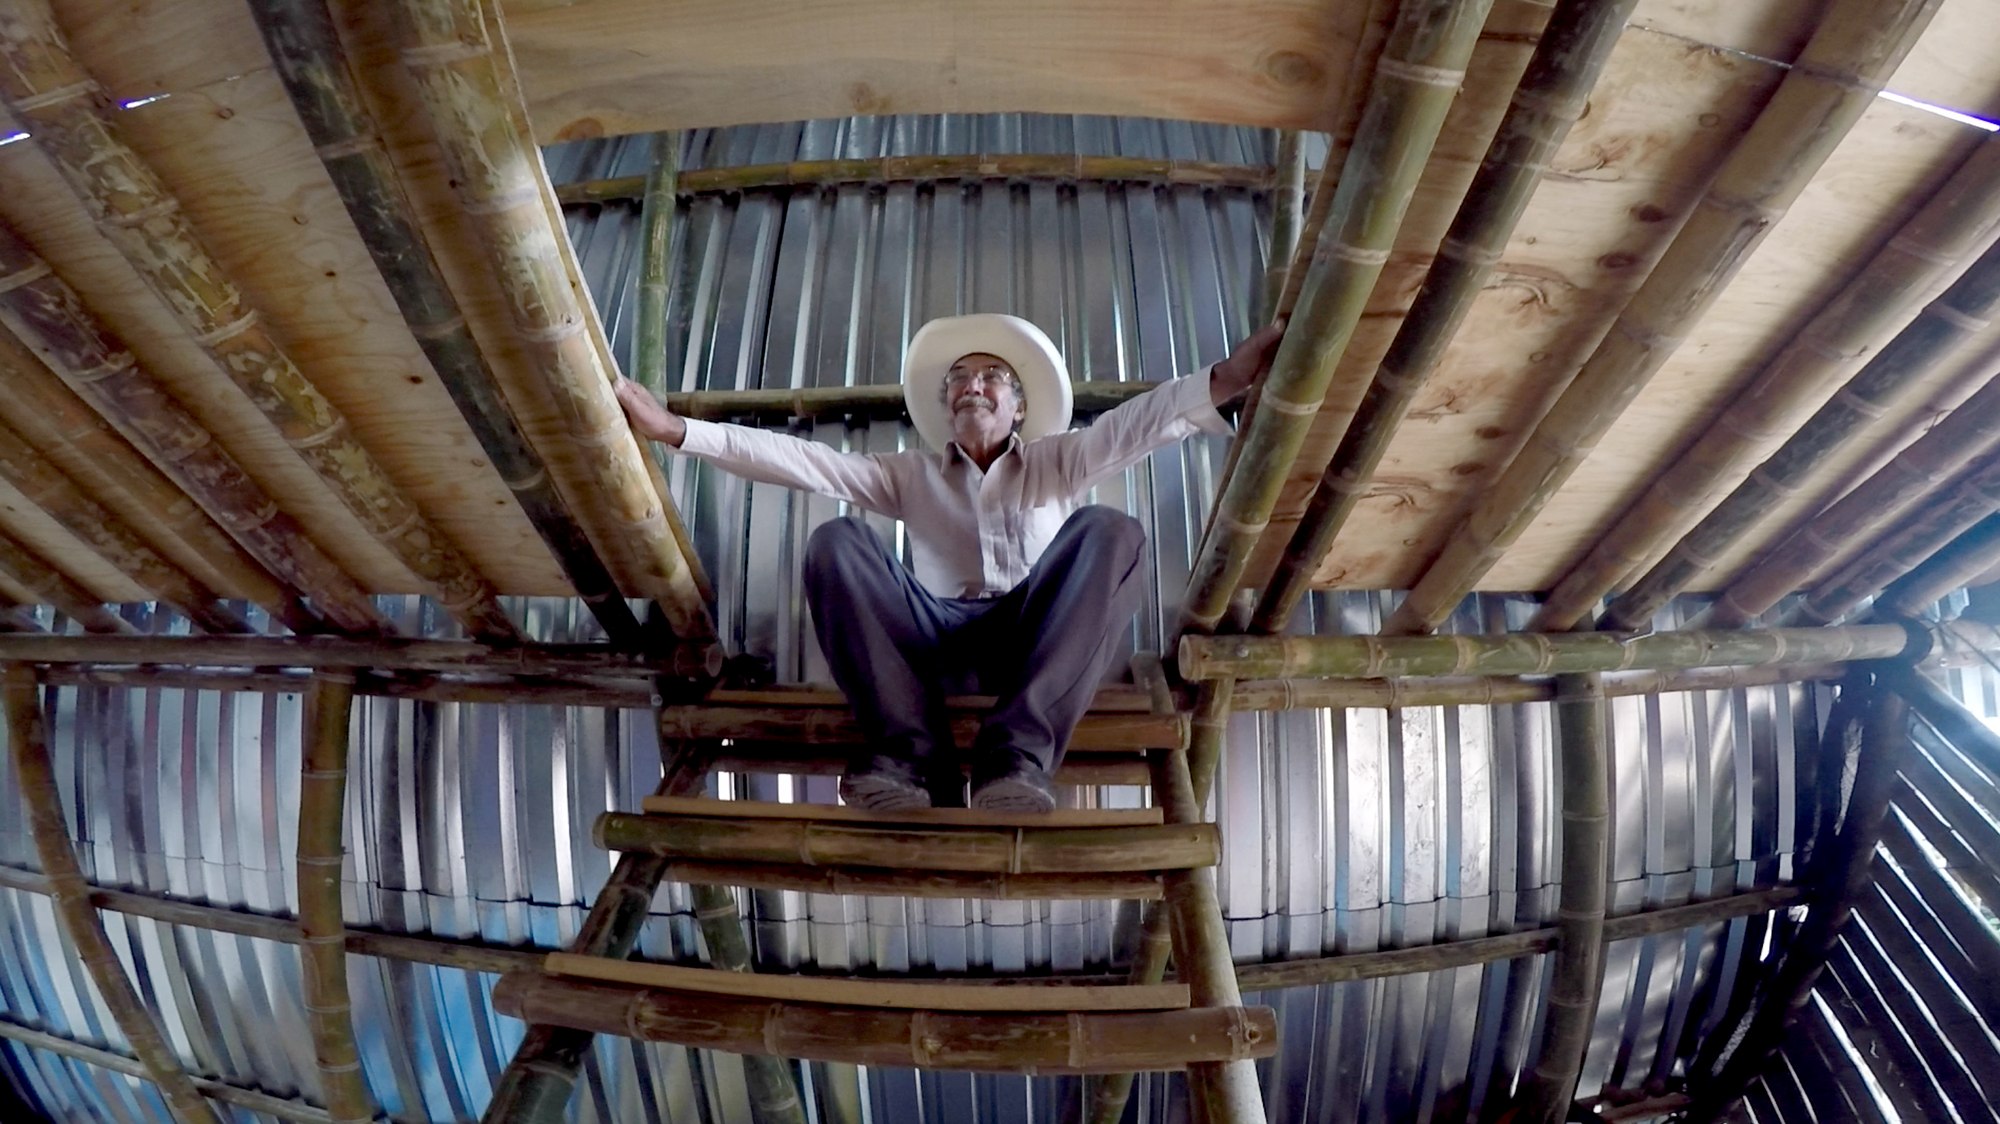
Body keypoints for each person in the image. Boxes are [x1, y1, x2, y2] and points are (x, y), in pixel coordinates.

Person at [617, 313, 1284, 813]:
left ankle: (1015, 759)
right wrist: (679, 431)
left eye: (992, 377)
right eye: (959, 379)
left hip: (1034, 640)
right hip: (935, 639)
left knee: (1113, 532)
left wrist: (1228, 378)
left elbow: (1138, 424)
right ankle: (912, 759)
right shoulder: (909, 474)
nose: (973, 386)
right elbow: (803, 462)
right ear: (946, 406)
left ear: (1019, 407)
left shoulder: (1060, 459)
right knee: (836, 542)